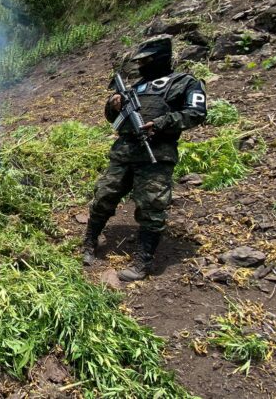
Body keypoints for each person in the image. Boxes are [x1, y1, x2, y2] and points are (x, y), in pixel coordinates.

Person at [82, 35, 207, 281]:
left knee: (152, 207)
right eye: (141, 60)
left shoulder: (183, 83)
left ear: (161, 58)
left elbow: (196, 113)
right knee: (104, 196)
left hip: (155, 155)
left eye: (147, 60)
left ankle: (143, 261)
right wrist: (114, 105)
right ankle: (89, 242)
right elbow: (113, 119)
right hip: (124, 153)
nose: (142, 65)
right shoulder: (136, 86)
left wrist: (161, 123)